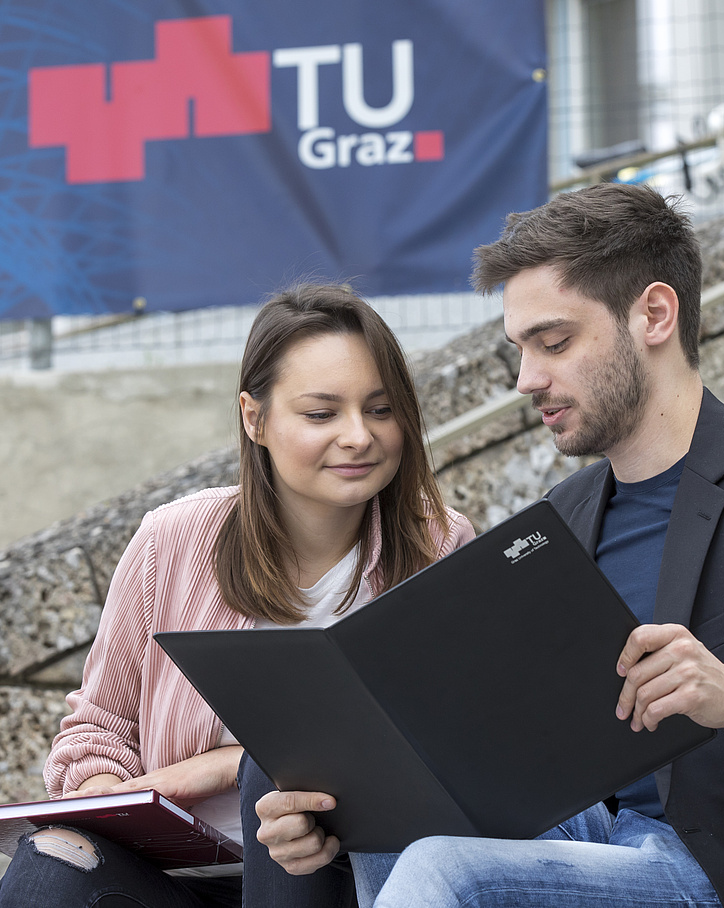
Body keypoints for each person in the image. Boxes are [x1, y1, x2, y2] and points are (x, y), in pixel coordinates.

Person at [336, 183, 724, 908]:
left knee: (450, 873)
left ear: (654, 315)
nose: (527, 380)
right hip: (597, 837)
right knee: (384, 809)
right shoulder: (559, 517)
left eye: (554, 342)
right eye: (521, 350)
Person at [0, 283, 474, 908]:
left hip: (340, 877)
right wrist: (111, 792)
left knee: (268, 778)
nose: (359, 435)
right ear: (255, 418)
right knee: (51, 864)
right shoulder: (173, 540)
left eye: (381, 409)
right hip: (184, 879)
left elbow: (460, 747)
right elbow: (95, 726)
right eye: (321, 413)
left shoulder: (442, 545)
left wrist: (234, 763)